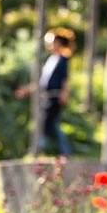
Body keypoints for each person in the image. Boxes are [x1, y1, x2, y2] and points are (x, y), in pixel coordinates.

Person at [16, 28, 74, 157]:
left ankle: (54, 151)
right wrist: (27, 90)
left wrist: (64, 93)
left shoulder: (62, 60)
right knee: (49, 125)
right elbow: (43, 82)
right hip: (46, 97)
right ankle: (50, 150)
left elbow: (65, 79)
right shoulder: (51, 60)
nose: (50, 45)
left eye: (52, 42)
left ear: (58, 43)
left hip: (55, 97)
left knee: (49, 125)